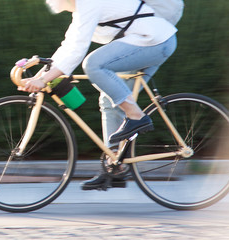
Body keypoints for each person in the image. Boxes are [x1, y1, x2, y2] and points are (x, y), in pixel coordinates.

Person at [18, 0, 177, 190]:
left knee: (93, 64)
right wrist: (41, 76)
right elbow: (68, 46)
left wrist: (44, 81)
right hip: (148, 41)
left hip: (154, 41)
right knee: (109, 98)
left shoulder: (88, 2)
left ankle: (137, 116)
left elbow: (78, 50)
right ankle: (115, 167)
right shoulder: (81, 10)